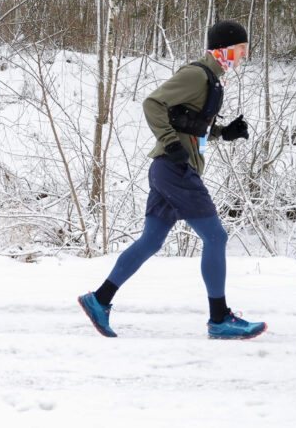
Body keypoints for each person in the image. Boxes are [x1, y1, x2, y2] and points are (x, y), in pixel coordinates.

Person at [78, 20, 267, 340]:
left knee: (151, 241)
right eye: (240, 50)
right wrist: (170, 142)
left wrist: (224, 132)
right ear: (223, 49)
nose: (243, 56)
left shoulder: (213, 80)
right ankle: (219, 319)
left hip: (170, 169)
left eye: (246, 50)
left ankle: (99, 299)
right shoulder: (197, 74)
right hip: (174, 169)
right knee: (216, 238)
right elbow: (153, 103)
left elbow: (190, 125)